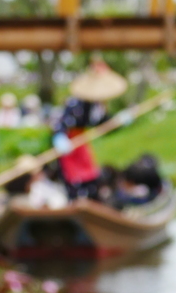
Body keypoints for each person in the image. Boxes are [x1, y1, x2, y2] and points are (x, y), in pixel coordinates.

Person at [52, 59, 128, 200]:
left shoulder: (97, 105)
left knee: (91, 177)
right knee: (74, 180)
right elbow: (60, 123)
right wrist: (59, 137)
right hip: (69, 144)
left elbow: (102, 124)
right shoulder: (75, 103)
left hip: (82, 143)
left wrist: (119, 121)